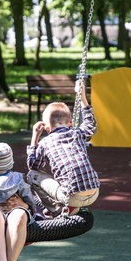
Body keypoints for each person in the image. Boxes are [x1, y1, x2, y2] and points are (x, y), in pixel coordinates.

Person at [26, 79, 99, 218]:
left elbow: (33, 166)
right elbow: (91, 126)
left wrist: (35, 137)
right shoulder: (76, 133)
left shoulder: (45, 142)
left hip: (72, 197)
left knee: (31, 176)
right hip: (94, 192)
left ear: (46, 128)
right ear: (71, 123)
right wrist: (82, 97)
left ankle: (57, 209)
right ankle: (68, 206)